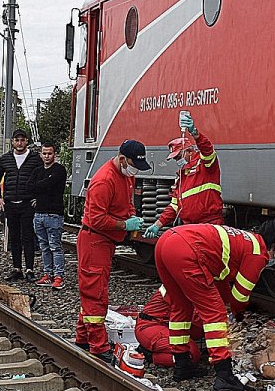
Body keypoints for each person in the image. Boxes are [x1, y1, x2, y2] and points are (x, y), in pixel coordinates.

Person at [155, 219, 275, 391]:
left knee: (181, 307)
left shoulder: (245, 239)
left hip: (167, 241)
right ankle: (224, 376)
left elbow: (221, 282)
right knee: (215, 315)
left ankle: (182, 365)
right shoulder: (259, 253)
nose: (274, 260)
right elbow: (239, 297)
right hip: (187, 249)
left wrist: (229, 303)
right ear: (273, 247)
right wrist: (239, 316)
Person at [77, 139, 150, 363]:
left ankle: (82, 337)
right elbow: (96, 219)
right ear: (121, 159)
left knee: (94, 289)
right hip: (95, 240)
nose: (135, 170)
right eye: (133, 164)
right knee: (96, 294)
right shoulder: (104, 180)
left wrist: (131, 216)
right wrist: (124, 225)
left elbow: (126, 203)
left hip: (104, 241)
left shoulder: (125, 175)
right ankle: (98, 346)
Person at [144, 110, 223, 239]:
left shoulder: (205, 165)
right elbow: (174, 206)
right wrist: (157, 224)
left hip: (209, 225)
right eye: (175, 158)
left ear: (189, 151)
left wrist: (195, 133)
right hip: (190, 227)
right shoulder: (181, 178)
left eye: (178, 156)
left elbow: (207, 149)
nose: (177, 160)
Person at [0, 128, 42, 280]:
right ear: (12, 142)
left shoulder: (34, 158)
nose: (19, 143)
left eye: (22, 140)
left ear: (27, 141)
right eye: (17, 140)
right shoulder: (5, 159)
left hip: (27, 204)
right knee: (14, 237)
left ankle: (30, 270)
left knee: (28, 237)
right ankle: (17, 268)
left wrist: (38, 197)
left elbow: (42, 177)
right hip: (10, 204)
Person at [134, 285, 204, 373]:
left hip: (160, 325)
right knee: (191, 353)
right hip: (149, 327)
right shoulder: (179, 286)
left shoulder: (183, 281)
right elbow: (197, 316)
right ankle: (150, 356)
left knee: (198, 331)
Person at [31, 141, 68, 289]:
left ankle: (59, 276)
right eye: (44, 153)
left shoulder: (59, 170)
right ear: (41, 154)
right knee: (44, 247)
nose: (46, 156)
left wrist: (39, 187)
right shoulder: (38, 170)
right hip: (38, 214)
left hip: (54, 214)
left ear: (54, 154)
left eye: (49, 153)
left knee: (55, 246)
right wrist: (41, 187)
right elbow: (30, 185)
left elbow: (49, 184)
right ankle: (48, 274)